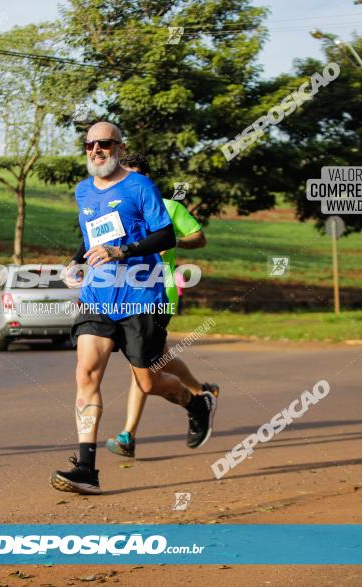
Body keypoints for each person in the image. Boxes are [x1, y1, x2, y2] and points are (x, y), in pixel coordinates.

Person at [50, 123, 217, 495]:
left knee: (147, 381)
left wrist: (121, 251)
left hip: (141, 296)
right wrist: (76, 261)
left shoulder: (140, 187)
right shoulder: (83, 191)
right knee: (86, 375)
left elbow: (166, 235)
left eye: (103, 144)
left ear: (118, 148)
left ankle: (196, 404)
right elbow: (92, 235)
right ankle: (87, 469)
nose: (95, 150)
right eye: (89, 144)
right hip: (98, 295)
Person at [104, 152, 219, 459]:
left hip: (157, 294)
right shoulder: (115, 211)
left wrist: (168, 240)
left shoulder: (168, 208)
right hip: (120, 295)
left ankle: (128, 435)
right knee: (160, 361)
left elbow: (199, 237)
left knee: (140, 367)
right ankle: (201, 392)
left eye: (137, 177)